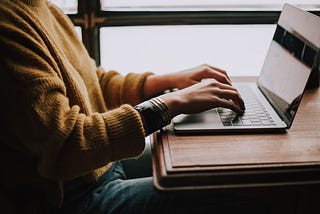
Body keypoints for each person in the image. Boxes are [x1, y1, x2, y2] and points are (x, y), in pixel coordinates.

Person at [0, 0, 271, 214]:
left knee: (219, 165)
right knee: (234, 197)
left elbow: (94, 82)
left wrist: (168, 81)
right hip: (70, 198)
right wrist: (169, 104)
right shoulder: (8, 24)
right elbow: (68, 143)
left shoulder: (42, 7)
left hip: (99, 165)